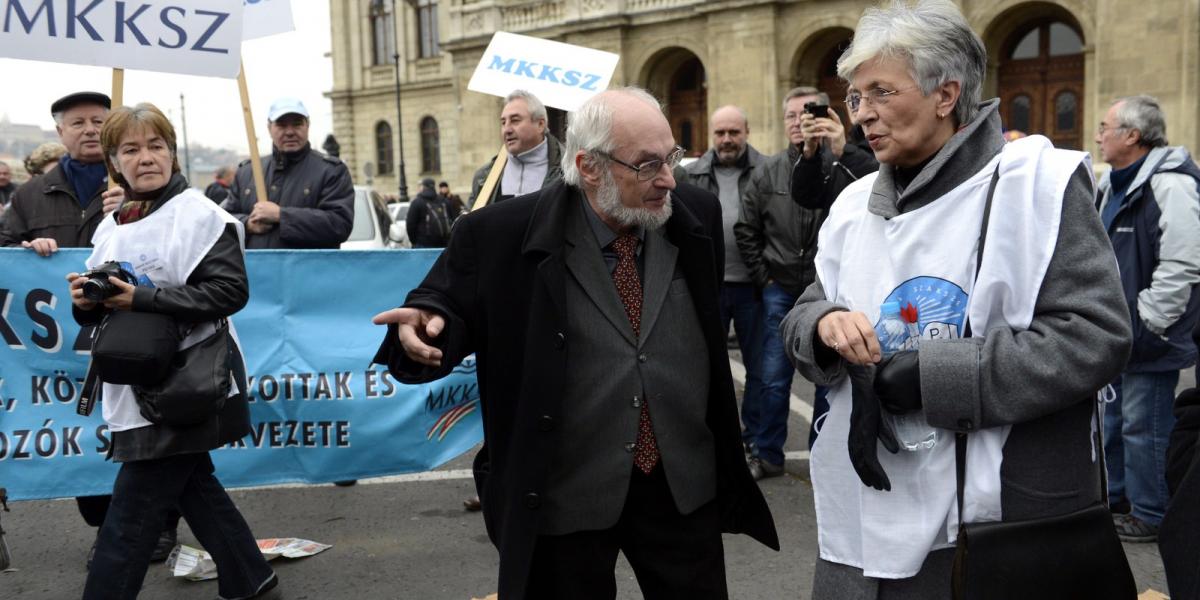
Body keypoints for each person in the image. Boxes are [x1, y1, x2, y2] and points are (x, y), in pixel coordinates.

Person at [780, 1, 1131, 596]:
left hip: (992, 526)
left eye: (880, 93)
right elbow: (804, 310)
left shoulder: (1038, 186)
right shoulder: (850, 203)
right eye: (856, 97)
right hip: (863, 513)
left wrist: (938, 377)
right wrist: (823, 325)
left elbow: (1095, 337)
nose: (862, 114)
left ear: (945, 95)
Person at [372, 87, 778, 599]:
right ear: (589, 167)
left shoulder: (691, 215)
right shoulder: (498, 234)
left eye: (671, 156)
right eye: (648, 164)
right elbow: (443, 308)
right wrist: (427, 326)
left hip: (679, 483)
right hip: (563, 491)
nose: (668, 178)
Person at [71, 102, 279, 600]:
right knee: (194, 489)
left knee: (129, 520)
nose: (146, 158)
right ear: (115, 163)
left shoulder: (202, 217)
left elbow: (229, 293)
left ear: (173, 153)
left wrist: (141, 296)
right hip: (134, 386)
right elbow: (103, 307)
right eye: (132, 149)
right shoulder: (111, 227)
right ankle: (253, 580)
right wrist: (85, 303)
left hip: (187, 382)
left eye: (156, 146)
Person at [1094, 94, 1200, 542]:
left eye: (1105, 128)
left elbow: (1184, 263)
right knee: (1115, 422)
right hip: (1119, 331)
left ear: (1132, 136)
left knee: (1146, 428)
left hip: (1149, 336)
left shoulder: (1171, 184)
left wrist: (1149, 321)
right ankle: (1118, 500)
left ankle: (1152, 513)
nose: (1098, 136)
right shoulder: (1111, 182)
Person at [734, 88, 847, 477]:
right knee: (772, 378)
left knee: (825, 380)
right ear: (784, 123)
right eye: (792, 116)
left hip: (825, 292)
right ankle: (767, 454)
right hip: (779, 288)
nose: (800, 121)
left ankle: (822, 456)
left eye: (808, 113)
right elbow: (746, 230)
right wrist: (765, 280)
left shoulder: (839, 167)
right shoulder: (767, 172)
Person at [682, 105, 768, 469]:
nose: (727, 139)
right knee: (705, 370)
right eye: (720, 133)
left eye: (734, 132)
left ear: (747, 131)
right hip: (709, 288)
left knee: (762, 373)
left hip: (755, 289)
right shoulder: (691, 174)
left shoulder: (768, 170)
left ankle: (757, 445)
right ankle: (714, 444)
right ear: (711, 136)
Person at [0, 92, 123, 255]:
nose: (90, 130)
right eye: (78, 123)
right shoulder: (28, 194)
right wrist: (28, 249)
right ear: (60, 132)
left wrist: (133, 214)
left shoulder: (134, 189)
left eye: (98, 122)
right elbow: (5, 248)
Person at [223, 97, 354, 249]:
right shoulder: (247, 171)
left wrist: (281, 215)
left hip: (308, 271)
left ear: (307, 126)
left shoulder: (331, 171)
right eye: (282, 125)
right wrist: (247, 225)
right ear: (269, 128)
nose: (290, 132)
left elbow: (339, 225)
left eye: (297, 124)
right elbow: (224, 222)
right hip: (255, 271)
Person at [468, 89, 564, 209]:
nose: (507, 130)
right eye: (503, 122)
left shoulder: (569, 172)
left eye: (515, 120)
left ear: (540, 124)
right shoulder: (483, 177)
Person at [407, 177, 452, 248]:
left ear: (423, 187)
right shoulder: (444, 201)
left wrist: (414, 241)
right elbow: (452, 220)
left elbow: (410, 225)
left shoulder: (417, 202)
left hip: (423, 243)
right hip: (443, 244)